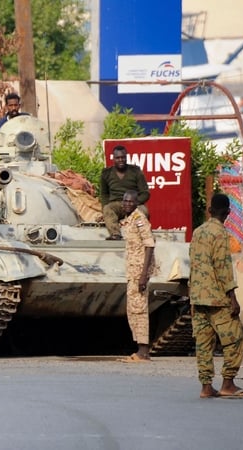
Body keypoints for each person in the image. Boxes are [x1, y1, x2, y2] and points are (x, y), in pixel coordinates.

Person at [189, 193, 243, 399]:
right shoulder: (221, 234)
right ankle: (228, 383)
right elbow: (223, 268)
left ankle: (206, 387)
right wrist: (233, 298)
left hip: (198, 297)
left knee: (203, 343)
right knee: (234, 340)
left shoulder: (198, 232)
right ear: (227, 212)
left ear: (209, 211)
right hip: (217, 298)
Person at [118, 190, 156, 363]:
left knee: (139, 310)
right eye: (125, 201)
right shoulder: (128, 220)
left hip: (138, 272)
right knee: (133, 310)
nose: (126, 204)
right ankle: (140, 350)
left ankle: (143, 351)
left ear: (136, 203)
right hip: (132, 272)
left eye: (130, 201)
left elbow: (149, 245)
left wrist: (143, 275)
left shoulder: (139, 219)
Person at [99, 145, 150, 240]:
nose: (121, 160)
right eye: (118, 158)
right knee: (107, 209)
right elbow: (104, 194)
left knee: (143, 211)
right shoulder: (106, 173)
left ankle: (139, 234)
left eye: (123, 157)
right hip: (116, 204)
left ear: (126, 157)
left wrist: (134, 203)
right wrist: (104, 209)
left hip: (134, 204)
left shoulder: (136, 171)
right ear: (113, 158)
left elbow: (145, 193)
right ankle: (115, 234)